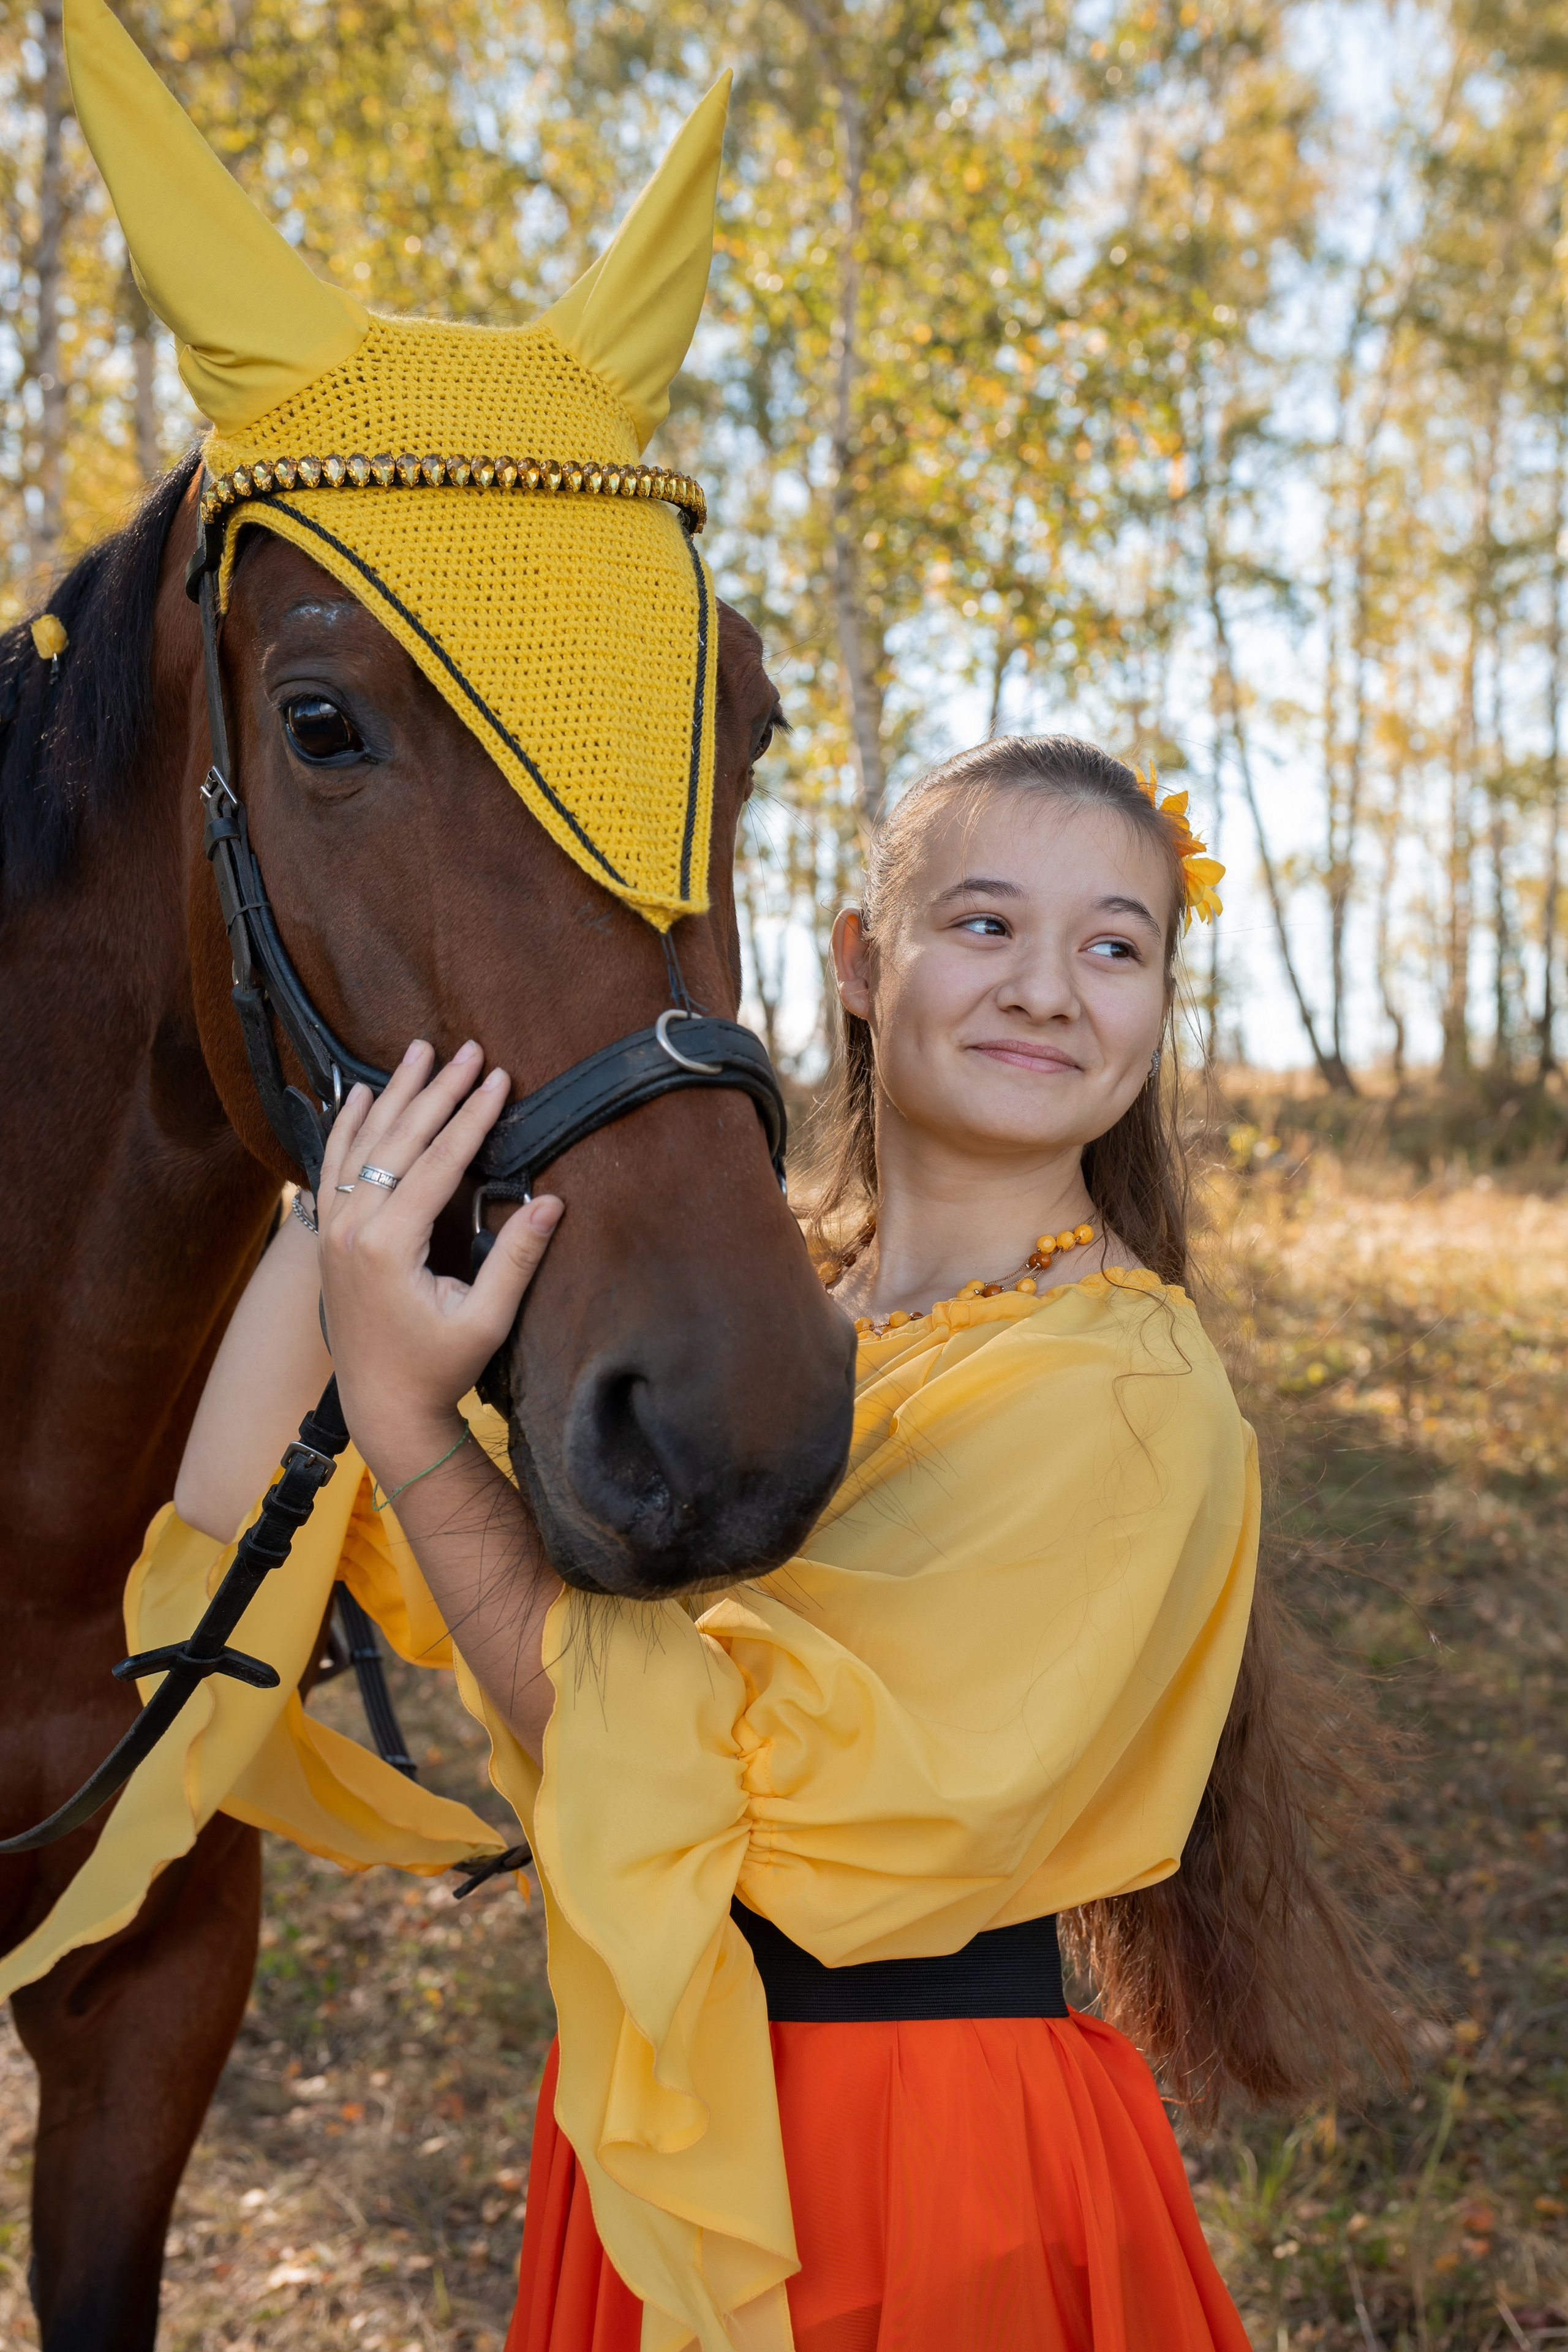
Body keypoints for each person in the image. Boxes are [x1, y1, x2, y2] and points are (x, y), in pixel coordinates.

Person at [177, 733, 1398, 2352]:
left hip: (909, 2165)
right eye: (985, 925)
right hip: (667, 2117)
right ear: (857, 964)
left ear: (1160, 1007)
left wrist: (411, 1424)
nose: (1048, 987)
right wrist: (357, 1171)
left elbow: (734, 1806)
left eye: (1115, 946)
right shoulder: (743, 1341)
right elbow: (235, 1496)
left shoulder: (1120, 1394)